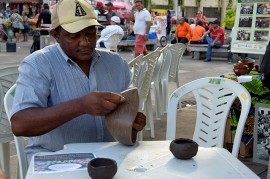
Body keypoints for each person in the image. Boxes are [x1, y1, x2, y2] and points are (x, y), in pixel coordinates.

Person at [11, 0, 146, 162]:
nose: (85, 42)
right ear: (56, 35)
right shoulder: (38, 65)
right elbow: (20, 125)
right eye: (73, 36)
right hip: (55, 159)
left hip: (106, 157)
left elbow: (124, 117)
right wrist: (80, 106)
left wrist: (131, 123)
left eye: (90, 33)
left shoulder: (116, 63)